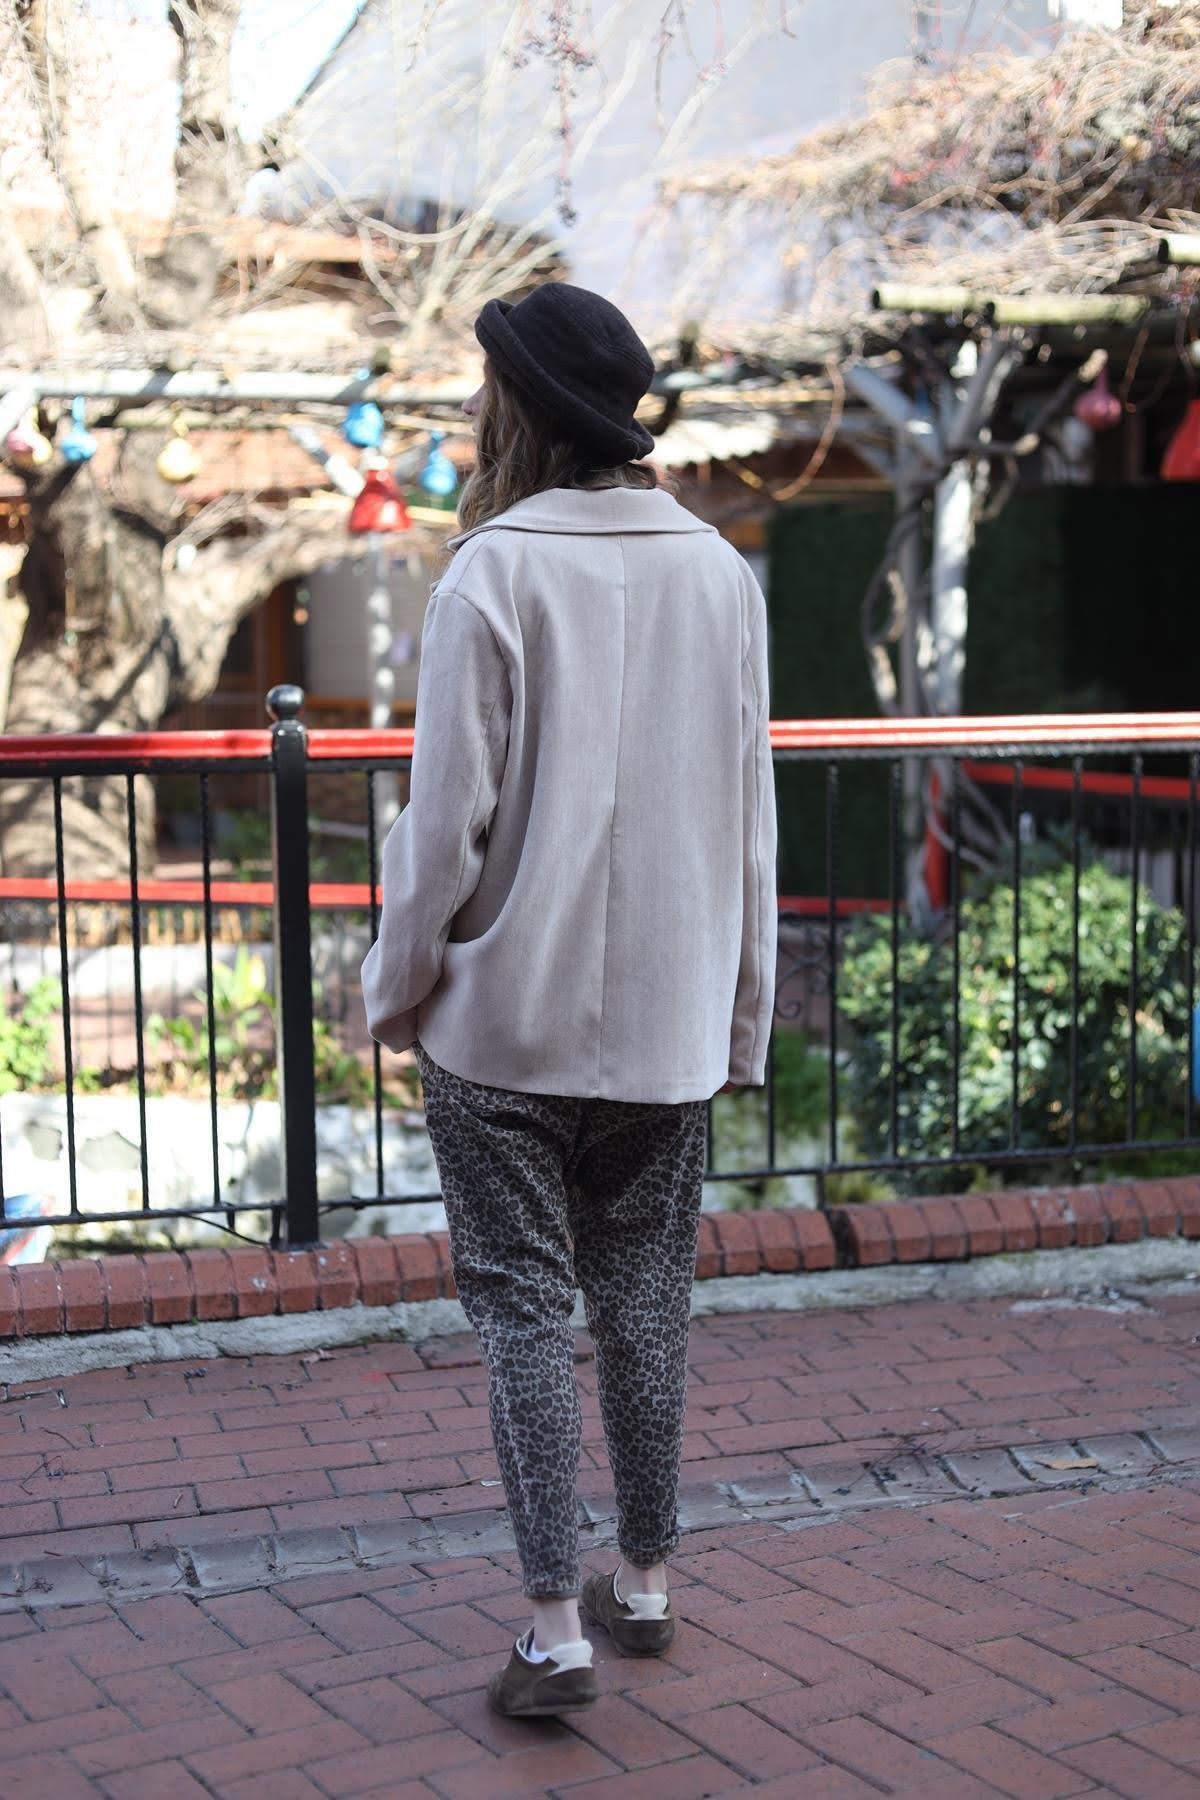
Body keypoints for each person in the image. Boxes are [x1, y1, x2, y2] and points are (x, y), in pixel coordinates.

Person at [361, 281, 777, 1718]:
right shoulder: (721, 574)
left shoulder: (489, 572)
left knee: (525, 1314)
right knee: (649, 1302)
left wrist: (396, 988)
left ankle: (554, 1630)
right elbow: (750, 822)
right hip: (667, 1026)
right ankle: (644, 1586)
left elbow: (443, 831)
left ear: (518, 407)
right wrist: (739, 1019)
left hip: (502, 1025)